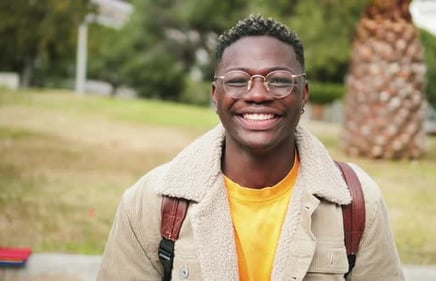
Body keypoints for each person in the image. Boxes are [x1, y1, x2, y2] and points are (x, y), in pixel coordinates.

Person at [97, 15, 405, 281]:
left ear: (304, 94)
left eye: (279, 80)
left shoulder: (358, 203)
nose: (257, 93)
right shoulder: (150, 204)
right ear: (215, 94)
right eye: (237, 80)